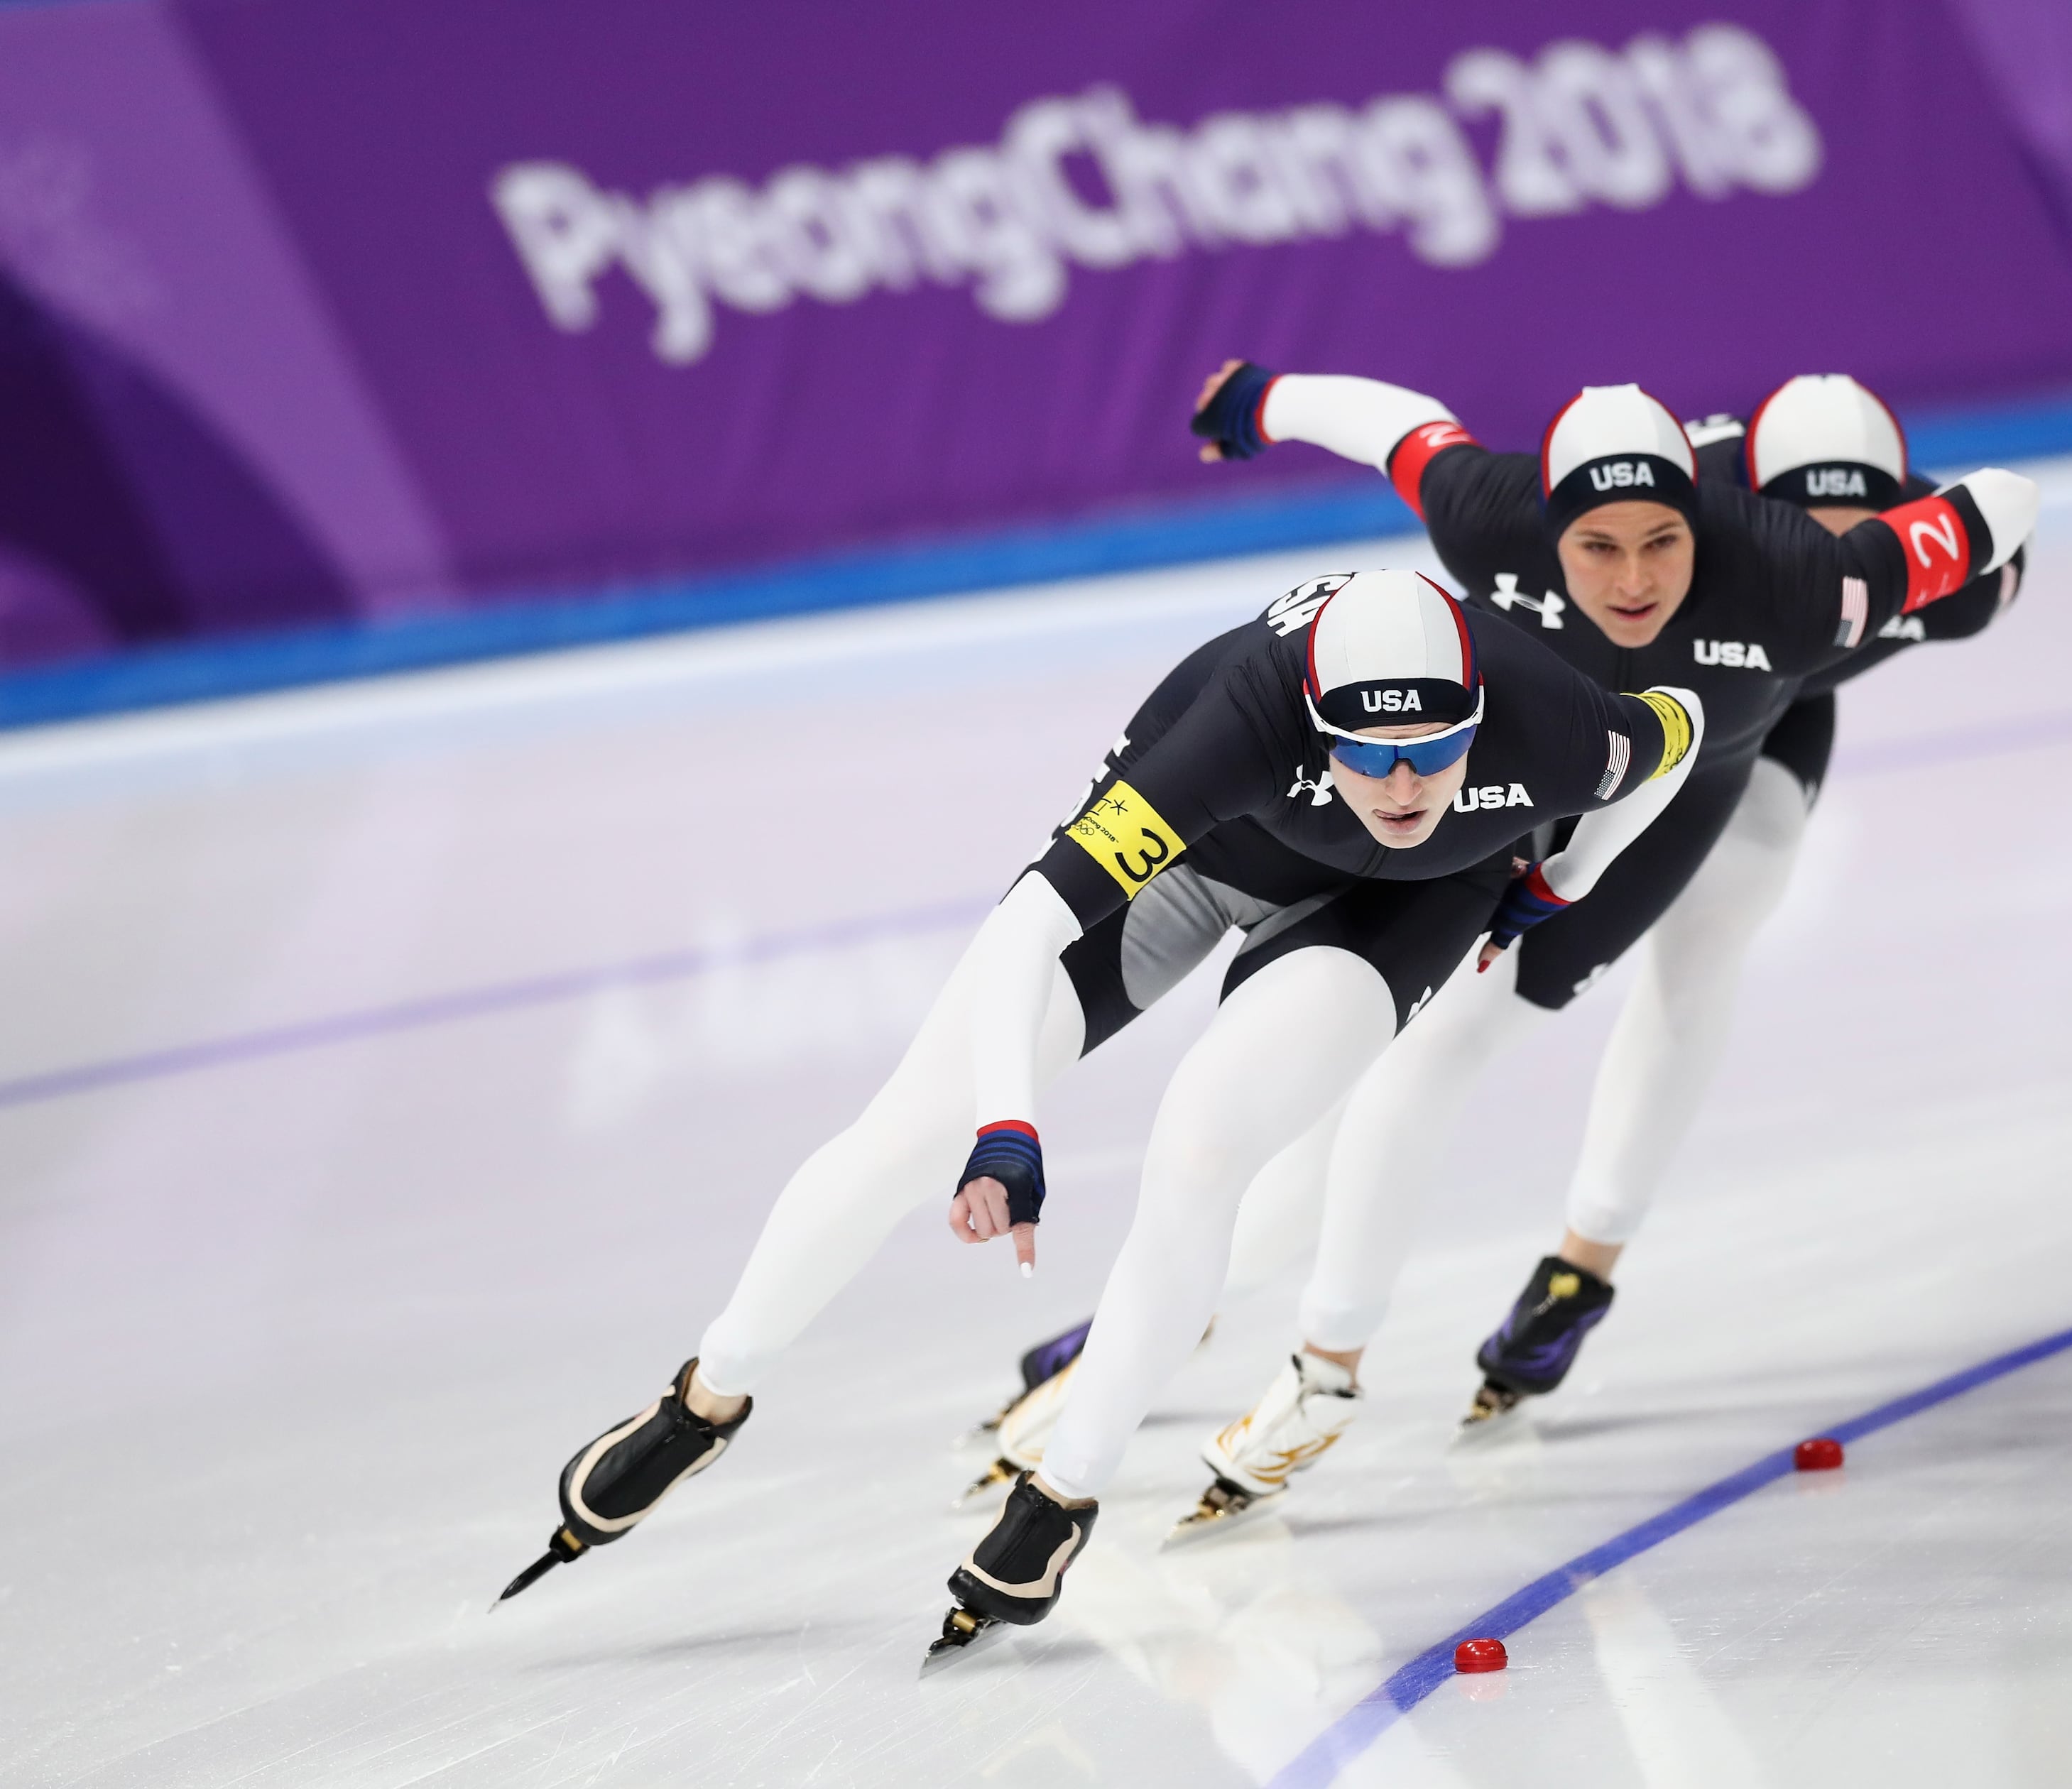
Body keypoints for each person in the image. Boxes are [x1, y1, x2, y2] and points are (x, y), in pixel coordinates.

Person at [492, 567, 1706, 1648]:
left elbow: (1682, 731)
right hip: (1206, 853)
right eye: (1367, 752)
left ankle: (1064, 1493)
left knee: (1199, 1147)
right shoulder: (1237, 721)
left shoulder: (1554, 723)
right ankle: (703, 1399)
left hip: (1399, 912)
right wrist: (1007, 1126)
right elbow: (1030, 922)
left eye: (1434, 752)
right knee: (910, 1132)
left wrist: (1560, 877)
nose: (1399, 785)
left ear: (1479, 724)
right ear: (1314, 723)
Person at [1155, 366, 2038, 1533]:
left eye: (1861, 543)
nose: (1840, 561)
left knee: (1713, 932)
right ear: (1745, 508)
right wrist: (1258, 397)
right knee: (1429, 1039)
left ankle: (1582, 1265)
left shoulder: (1883, 585)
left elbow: (2000, 509)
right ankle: (1227, 1304)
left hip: (1742, 725)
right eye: (1807, 533)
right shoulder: (1595, 518)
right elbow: (1403, 430)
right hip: (1603, 730)